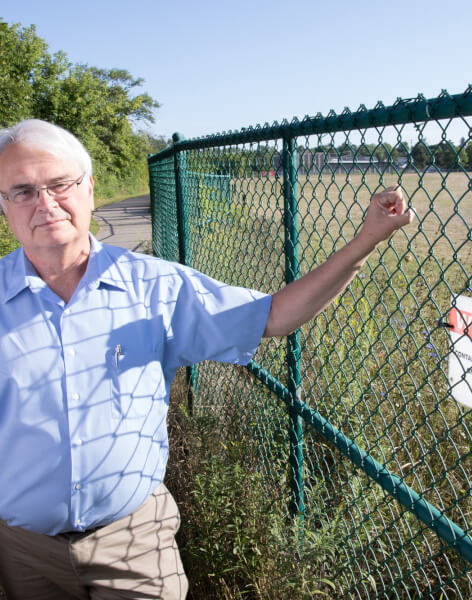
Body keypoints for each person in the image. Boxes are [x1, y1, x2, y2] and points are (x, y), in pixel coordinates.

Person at [0, 119, 413, 600]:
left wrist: (366, 239)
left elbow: (275, 315)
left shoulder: (155, 286)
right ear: (3, 205)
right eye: (23, 191)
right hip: (22, 552)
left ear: (89, 189)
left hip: (133, 544)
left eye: (59, 184)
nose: (46, 204)